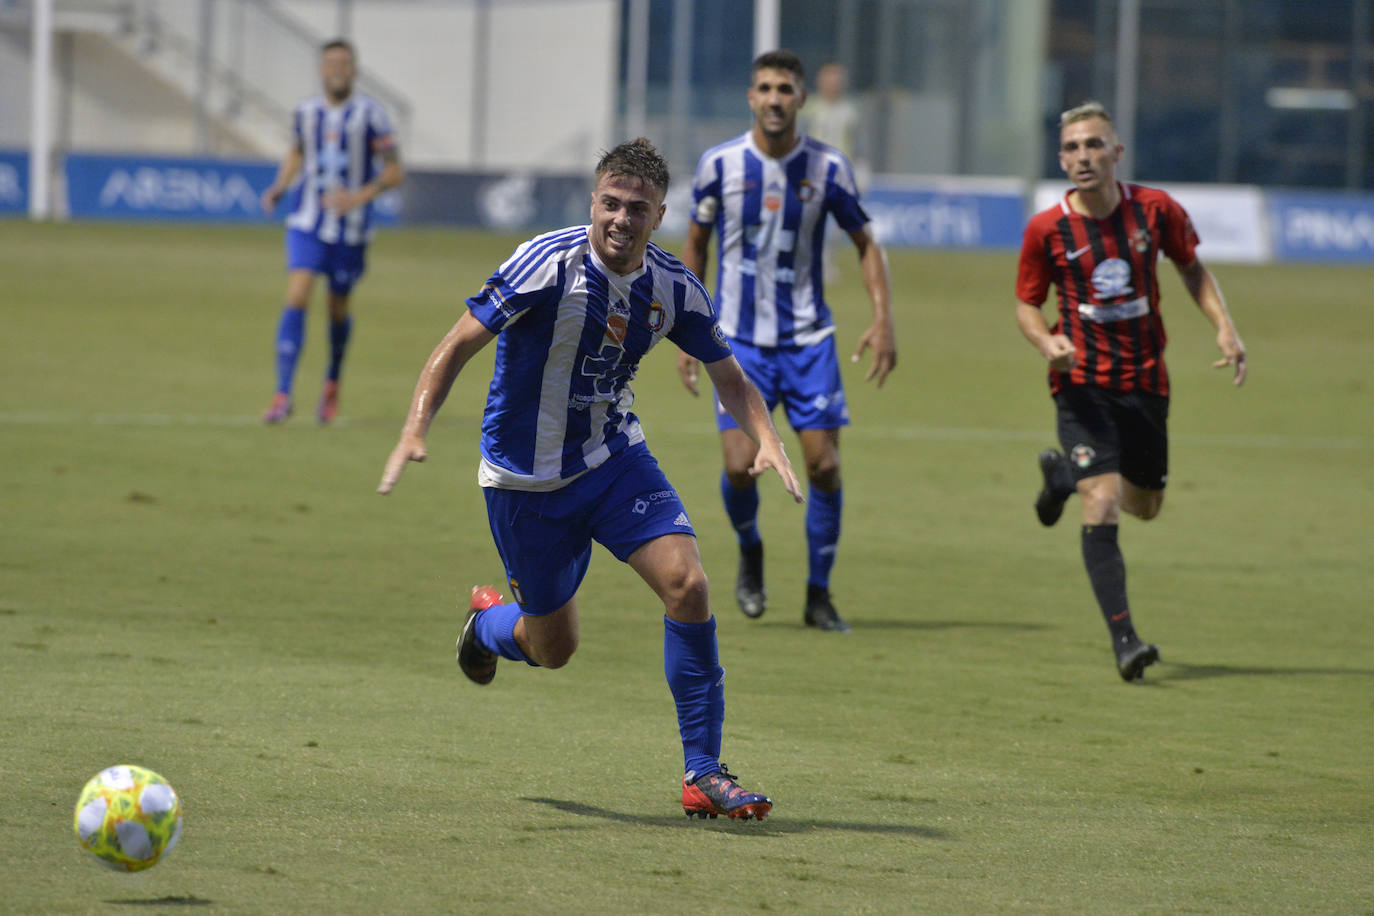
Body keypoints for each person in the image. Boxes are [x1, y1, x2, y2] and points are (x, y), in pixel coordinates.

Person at [377, 138, 802, 820]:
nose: (621, 219)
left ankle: (704, 771)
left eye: (637, 208)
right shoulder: (545, 263)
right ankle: (487, 629)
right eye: (610, 203)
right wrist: (413, 428)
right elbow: (456, 344)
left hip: (612, 462)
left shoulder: (673, 288)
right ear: (593, 202)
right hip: (524, 484)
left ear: (659, 214)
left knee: (688, 584)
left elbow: (729, 375)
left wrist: (768, 441)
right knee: (554, 648)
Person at [1016, 100, 1247, 682]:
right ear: (1061, 158)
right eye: (1071, 148)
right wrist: (1047, 344)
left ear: (1117, 152)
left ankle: (1061, 475)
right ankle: (1126, 641)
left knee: (1145, 504)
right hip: (1080, 385)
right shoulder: (1047, 229)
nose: (1083, 157)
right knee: (1104, 501)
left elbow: (1191, 267)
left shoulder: (1155, 210)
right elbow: (1026, 303)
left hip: (1146, 382)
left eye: (1094, 145)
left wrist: (1224, 325)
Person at [677, 50, 896, 633]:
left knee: (823, 466)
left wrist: (882, 317)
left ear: (801, 99)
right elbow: (694, 246)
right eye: (765, 88)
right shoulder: (719, 165)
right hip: (737, 343)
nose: (775, 98)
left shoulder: (828, 168)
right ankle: (750, 548)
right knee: (738, 466)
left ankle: (818, 593)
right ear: (751, 97)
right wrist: (685, 329)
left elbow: (866, 243)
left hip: (808, 340)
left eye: (785, 89)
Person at [259, 38, 404, 425]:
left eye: (344, 63)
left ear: (354, 70)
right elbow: (296, 152)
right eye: (331, 63)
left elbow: (394, 171)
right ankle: (282, 394)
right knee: (297, 294)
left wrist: (358, 198)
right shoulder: (305, 112)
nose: (337, 69)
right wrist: (279, 186)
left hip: (350, 232)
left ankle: (332, 383)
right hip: (307, 222)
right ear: (321, 70)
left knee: (337, 309)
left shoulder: (372, 115)